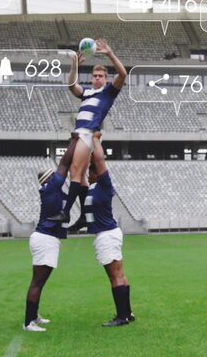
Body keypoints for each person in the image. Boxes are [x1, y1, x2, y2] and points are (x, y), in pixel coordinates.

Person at [48, 39, 127, 223]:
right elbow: (71, 86)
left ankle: (66, 212)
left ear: (105, 78)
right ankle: (83, 216)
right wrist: (74, 66)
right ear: (91, 78)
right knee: (81, 178)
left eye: (100, 76)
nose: (97, 78)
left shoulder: (108, 92)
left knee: (75, 171)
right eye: (95, 75)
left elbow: (123, 74)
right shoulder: (87, 92)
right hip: (79, 134)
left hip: (88, 133)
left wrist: (110, 54)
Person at [23, 135, 78, 332]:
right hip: (45, 238)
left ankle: (34, 317)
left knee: (40, 282)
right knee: (37, 282)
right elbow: (65, 162)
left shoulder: (52, 191)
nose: (59, 176)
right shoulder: (52, 187)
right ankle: (28, 322)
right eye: (56, 175)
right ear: (51, 179)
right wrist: (75, 141)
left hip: (46, 238)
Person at [83, 132, 134, 327]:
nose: (88, 174)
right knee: (119, 274)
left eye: (90, 170)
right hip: (107, 233)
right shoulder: (94, 188)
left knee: (115, 276)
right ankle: (127, 313)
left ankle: (121, 316)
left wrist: (95, 140)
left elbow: (100, 160)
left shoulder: (104, 185)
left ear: (96, 172)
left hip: (106, 234)